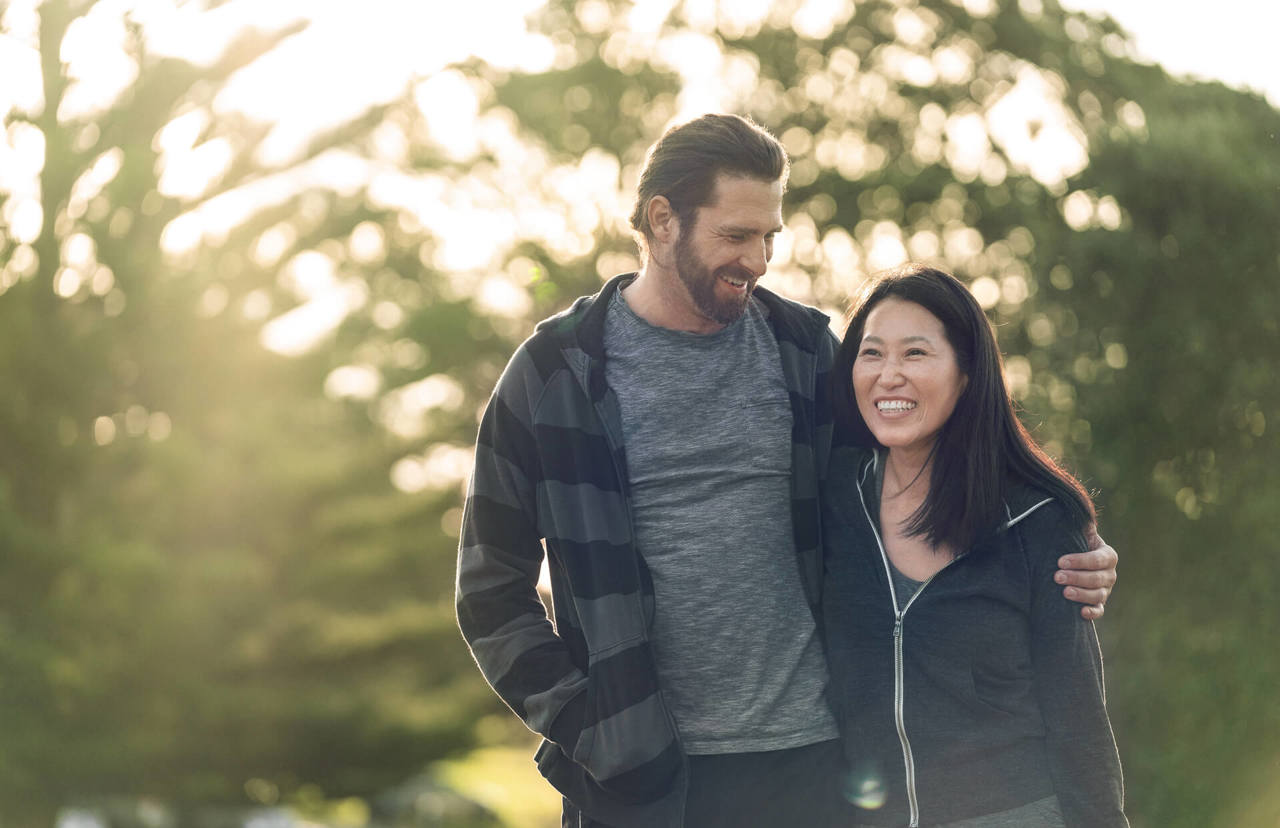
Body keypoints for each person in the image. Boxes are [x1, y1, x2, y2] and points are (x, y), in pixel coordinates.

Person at [456, 114, 1118, 828]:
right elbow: (490, 590)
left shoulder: (806, 350)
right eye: (736, 235)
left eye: (770, 236)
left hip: (814, 768)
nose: (760, 259)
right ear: (662, 220)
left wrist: (1056, 536)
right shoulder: (553, 375)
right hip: (638, 787)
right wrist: (594, 728)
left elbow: (923, 469)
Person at [821, 264, 1128, 827]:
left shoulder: (1037, 520)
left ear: (967, 373)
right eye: (872, 353)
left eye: (915, 354)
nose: (889, 375)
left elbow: (1077, 718)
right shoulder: (833, 498)